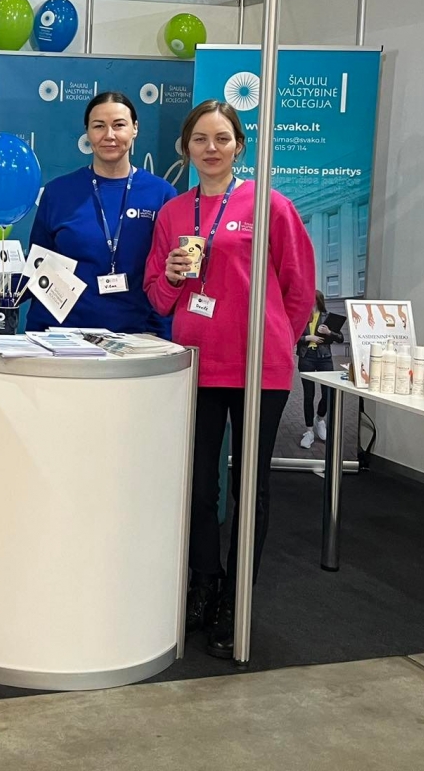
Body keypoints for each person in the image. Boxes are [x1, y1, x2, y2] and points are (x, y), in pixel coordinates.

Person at [144, 99, 314, 659]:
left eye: (221, 138)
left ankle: (237, 598)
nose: (211, 148)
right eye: (200, 139)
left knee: (249, 486)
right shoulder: (174, 213)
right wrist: (173, 278)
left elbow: (299, 290)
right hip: (197, 364)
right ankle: (204, 583)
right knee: (198, 485)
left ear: (240, 145)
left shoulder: (271, 206)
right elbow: (158, 297)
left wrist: (273, 341)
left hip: (259, 370)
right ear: (186, 148)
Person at [27, 91, 177, 335]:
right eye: (99, 126)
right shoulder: (58, 192)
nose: (109, 135)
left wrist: (162, 336)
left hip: (137, 338)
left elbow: (166, 277)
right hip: (64, 336)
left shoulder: (161, 194)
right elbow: (37, 266)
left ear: (135, 128)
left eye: (119, 125)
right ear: (87, 132)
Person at [298, 291, 336, 449]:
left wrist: (329, 333)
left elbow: (339, 337)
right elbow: (293, 335)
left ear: (318, 300)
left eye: (312, 299)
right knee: (309, 395)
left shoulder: (327, 317)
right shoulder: (301, 316)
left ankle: (319, 419)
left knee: (328, 393)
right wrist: (308, 338)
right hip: (306, 357)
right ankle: (309, 432)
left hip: (324, 357)